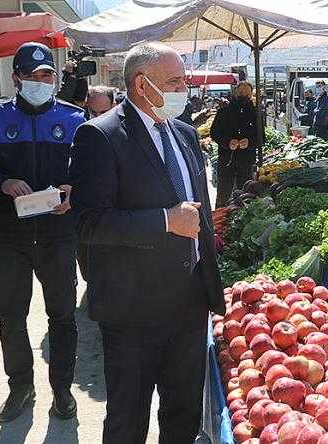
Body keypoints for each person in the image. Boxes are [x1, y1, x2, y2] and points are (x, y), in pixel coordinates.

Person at [70, 41, 225, 443]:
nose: (183, 88)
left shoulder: (186, 134)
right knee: (127, 421)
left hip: (190, 304)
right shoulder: (100, 136)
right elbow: (88, 222)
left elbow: (198, 211)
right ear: (142, 84)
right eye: (174, 81)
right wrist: (164, 221)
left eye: (183, 80)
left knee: (183, 414)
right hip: (133, 310)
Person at [0, 41, 84, 424]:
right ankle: (20, 387)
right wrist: (2, 183)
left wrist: (72, 194)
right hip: (8, 237)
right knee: (11, 317)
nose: (39, 81)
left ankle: (62, 390)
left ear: (55, 77)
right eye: (30, 76)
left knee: (62, 316)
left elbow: (89, 176)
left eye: (46, 75)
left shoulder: (75, 118)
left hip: (57, 234)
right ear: (15, 78)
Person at [211, 80, 257, 207]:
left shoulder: (255, 113)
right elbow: (214, 133)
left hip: (246, 160)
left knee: (246, 191)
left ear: (251, 95)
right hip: (227, 159)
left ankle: (243, 216)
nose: (244, 95)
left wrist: (249, 142)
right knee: (224, 191)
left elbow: (261, 138)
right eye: (241, 92)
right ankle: (220, 215)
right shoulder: (223, 112)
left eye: (247, 93)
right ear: (235, 92)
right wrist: (227, 142)